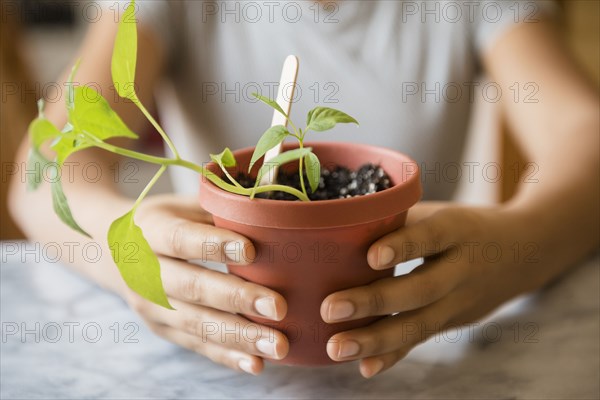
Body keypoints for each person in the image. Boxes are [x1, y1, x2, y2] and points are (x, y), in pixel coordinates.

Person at [8, 0, 599, 378]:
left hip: (408, 365)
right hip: (214, 362)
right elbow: (43, 172)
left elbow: (584, 134)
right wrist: (127, 255)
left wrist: (520, 243)